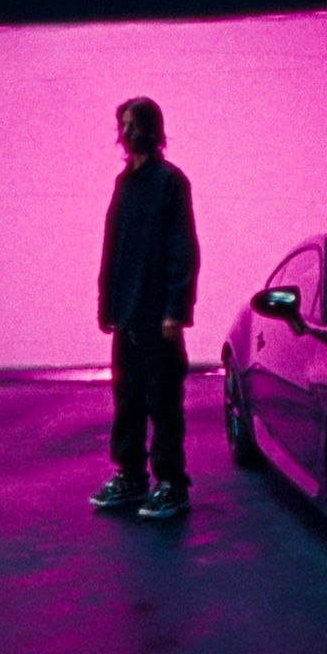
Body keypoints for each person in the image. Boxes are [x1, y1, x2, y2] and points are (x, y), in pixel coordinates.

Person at [91, 96, 200, 519]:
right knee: (128, 398)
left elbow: (183, 248)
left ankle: (172, 483)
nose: (127, 131)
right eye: (123, 123)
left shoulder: (171, 182)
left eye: (133, 123)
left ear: (153, 129)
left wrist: (176, 310)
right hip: (127, 315)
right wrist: (106, 304)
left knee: (163, 401)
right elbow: (113, 248)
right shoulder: (124, 184)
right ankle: (132, 476)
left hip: (158, 318)